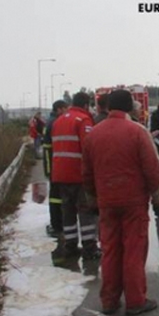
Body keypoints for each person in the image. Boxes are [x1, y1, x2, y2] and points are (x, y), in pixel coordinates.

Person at [82, 89, 159, 316]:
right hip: (133, 202)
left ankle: (109, 300)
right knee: (134, 250)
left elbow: (87, 174)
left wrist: (94, 199)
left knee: (110, 250)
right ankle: (135, 300)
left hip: (106, 202)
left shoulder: (94, 134)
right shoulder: (137, 132)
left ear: (108, 107)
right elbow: (153, 170)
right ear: (130, 107)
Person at [51, 92, 100, 260]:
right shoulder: (83, 120)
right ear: (86, 105)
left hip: (60, 174)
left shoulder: (59, 121)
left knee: (68, 211)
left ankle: (70, 245)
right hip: (78, 174)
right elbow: (89, 148)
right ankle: (89, 247)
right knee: (86, 211)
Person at [42, 100, 69, 238]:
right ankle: (58, 225)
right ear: (59, 109)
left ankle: (57, 223)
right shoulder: (55, 123)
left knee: (55, 197)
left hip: (53, 164)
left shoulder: (50, 122)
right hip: (55, 165)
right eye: (65, 109)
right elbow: (49, 148)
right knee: (57, 197)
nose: (66, 112)